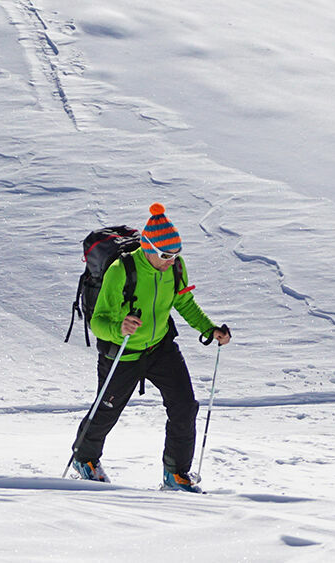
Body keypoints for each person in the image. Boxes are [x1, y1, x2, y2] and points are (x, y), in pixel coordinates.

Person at [70, 203, 231, 493]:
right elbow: (98, 322)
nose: (172, 261)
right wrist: (119, 328)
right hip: (122, 353)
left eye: (176, 255)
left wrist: (210, 329)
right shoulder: (122, 270)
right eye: (166, 255)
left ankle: (176, 474)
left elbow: (182, 301)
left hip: (160, 348)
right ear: (148, 248)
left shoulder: (175, 267)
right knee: (107, 411)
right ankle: (85, 459)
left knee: (184, 407)